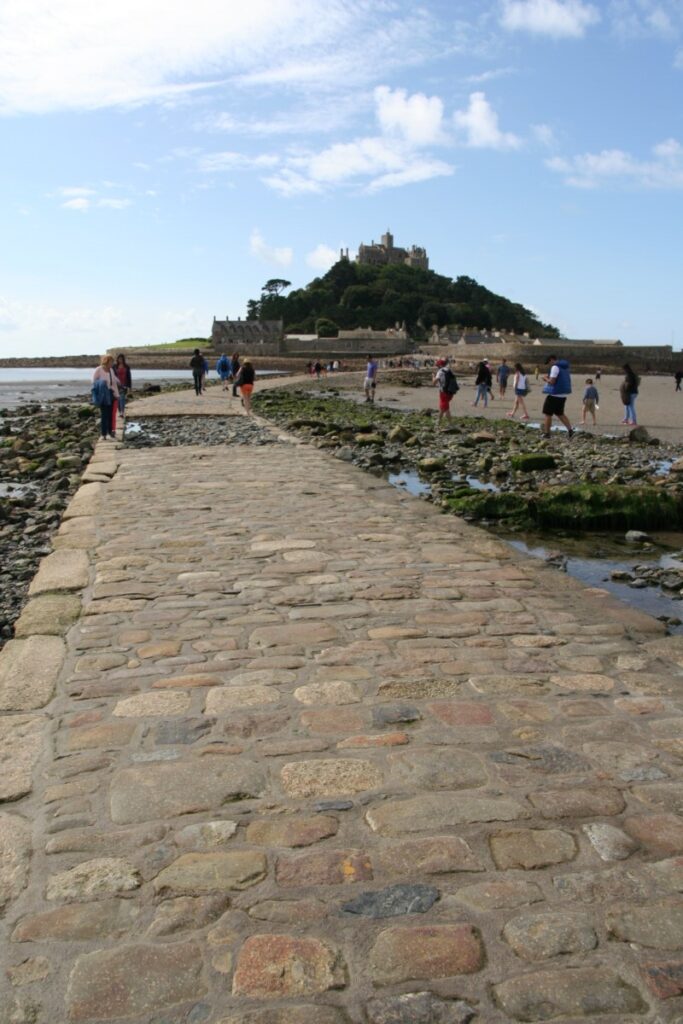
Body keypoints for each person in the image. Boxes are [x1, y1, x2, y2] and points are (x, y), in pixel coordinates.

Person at [541, 354, 574, 439]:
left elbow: (552, 382)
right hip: (562, 395)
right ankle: (570, 430)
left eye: (548, 362)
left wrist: (545, 378)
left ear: (552, 359)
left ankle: (547, 433)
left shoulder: (555, 367)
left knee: (548, 414)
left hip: (554, 395)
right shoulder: (565, 367)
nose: (549, 364)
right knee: (560, 413)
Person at [92, 354, 119, 439]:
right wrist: (102, 383)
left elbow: (114, 383)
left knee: (111, 414)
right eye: (111, 361)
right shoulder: (98, 369)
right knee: (104, 414)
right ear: (106, 361)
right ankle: (104, 434)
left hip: (110, 394)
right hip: (102, 395)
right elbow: (94, 382)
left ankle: (110, 431)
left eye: (112, 362)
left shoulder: (111, 370)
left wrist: (116, 394)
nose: (112, 363)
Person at [433, 358, 458, 427]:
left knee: (446, 408)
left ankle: (451, 424)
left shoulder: (440, 371)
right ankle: (438, 421)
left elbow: (434, 383)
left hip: (443, 392)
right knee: (443, 407)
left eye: (437, 365)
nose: (437, 366)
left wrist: (433, 377)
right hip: (451, 392)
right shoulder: (450, 370)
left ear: (440, 365)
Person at [114, 353, 132, 423]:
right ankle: (119, 411)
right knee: (118, 400)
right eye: (119, 359)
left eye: (121, 359)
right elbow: (111, 376)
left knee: (122, 398)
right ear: (117, 359)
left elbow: (129, 377)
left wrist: (130, 387)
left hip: (124, 385)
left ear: (123, 359)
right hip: (116, 385)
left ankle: (122, 412)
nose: (120, 360)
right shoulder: (114, 366)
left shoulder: (127, 367)